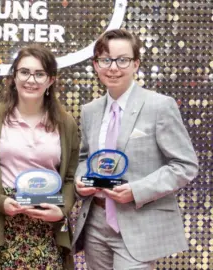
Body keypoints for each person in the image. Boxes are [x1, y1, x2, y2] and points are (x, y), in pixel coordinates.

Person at [72, 29, 199, 270]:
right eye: (105, 60)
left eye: (122, 60)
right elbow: (85, 157)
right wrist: (81, 178)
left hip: (138, 222)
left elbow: (185, 166)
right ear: (96, 65)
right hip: (96, 223)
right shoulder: (90, 110)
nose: (113, 67)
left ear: (136, 64)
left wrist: (137, 190)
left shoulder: (159, 106)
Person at [0, 44, 80, 270]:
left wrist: (61, 211)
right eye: (24, 72)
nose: (31, 80)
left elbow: (70, 178)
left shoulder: (66, 123)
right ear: (14, 76)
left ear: (51, 80)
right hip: (5, 222)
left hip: (49, 224)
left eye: (39, 74)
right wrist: (0, 202)